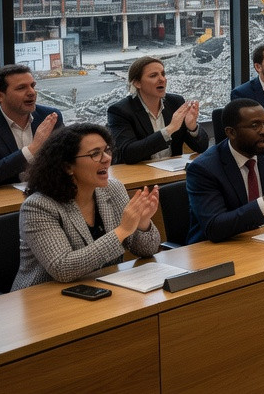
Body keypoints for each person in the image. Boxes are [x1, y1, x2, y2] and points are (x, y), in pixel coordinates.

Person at [12, 123, 160, 290]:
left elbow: (148, 249)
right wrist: (122, 231)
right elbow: (62, 269)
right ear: (68, 166)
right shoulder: (38, 207)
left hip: (100, 288)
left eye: (107, 150)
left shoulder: (113, 189)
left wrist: (142, 224)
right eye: (95, 154)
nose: (106, 158)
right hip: (43, 299)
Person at [185, 98, 264, 244]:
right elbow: (215, 227)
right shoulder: (204, 168)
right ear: (231, 132)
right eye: (254, 125)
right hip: (218, 250)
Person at [0, 64, 64, 189]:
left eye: (32, 86)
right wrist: (33, 149)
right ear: (0, 95)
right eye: (21, 88)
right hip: (0, 201)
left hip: (46, 193)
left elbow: (68, 159)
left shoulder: (50, 117)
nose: (32, 92)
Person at [106, 56, 209, 164]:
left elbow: (202, 147)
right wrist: (169, 130)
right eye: (153, 75)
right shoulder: (120, 111)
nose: (162, 79)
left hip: (171, 174)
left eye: (163, 74)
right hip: (140, 176)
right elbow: (127, 153)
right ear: (137, 83)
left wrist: (192, 127)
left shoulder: (175, 102)